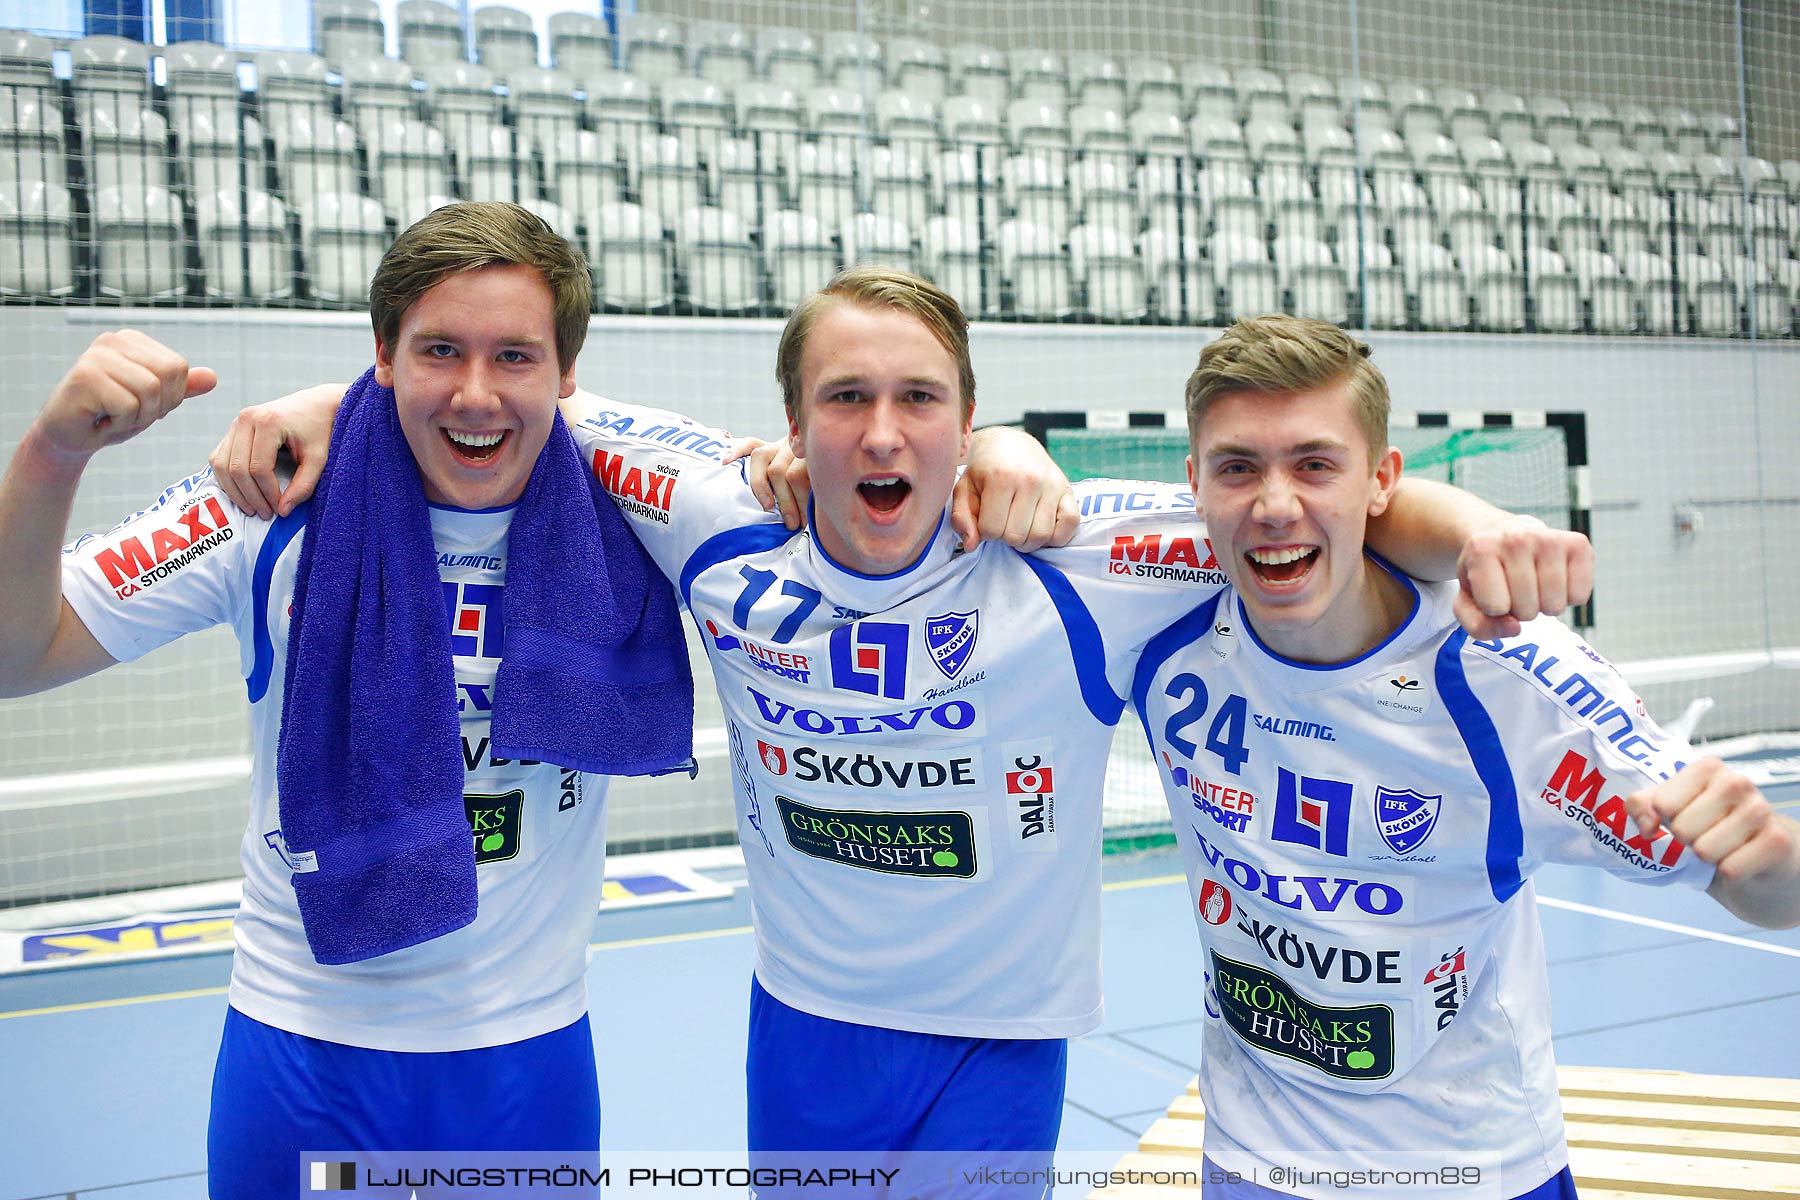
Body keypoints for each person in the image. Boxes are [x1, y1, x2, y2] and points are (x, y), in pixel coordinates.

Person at [212, 268, 1594, 1174]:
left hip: (997, 1039)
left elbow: (1306, 506)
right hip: (804, 1028)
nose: (882, 433)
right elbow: (517, 395)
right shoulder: (719, 523)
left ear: (969, 420)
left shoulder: (1073, 560)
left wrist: (1477, 522)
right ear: (792, 428)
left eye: (923, 402)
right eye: (845, 401)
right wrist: (332, 401)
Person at [0, 201, 702, 1198]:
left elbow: (818, 479)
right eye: (439, 351)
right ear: (383, 354)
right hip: (304, 1052)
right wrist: (53, 453)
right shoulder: (269, 503)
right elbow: (16, 654)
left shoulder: (626, 511)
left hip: (524, 1062)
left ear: (566, 376)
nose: (474, 394)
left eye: (514, 357)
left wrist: (1003, 451)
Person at [1130, 314, 1800, 1200]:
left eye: (1317, 464)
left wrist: (1772, 860)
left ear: (1383, 483)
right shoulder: (1154, 601)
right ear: (1194, 484)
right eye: (1238, 467)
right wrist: (998, 450)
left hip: (1471, 1172)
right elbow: (991, 499)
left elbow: (1763, 898)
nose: (1275, 504)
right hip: (1254, 1163)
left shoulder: (1520, 689)